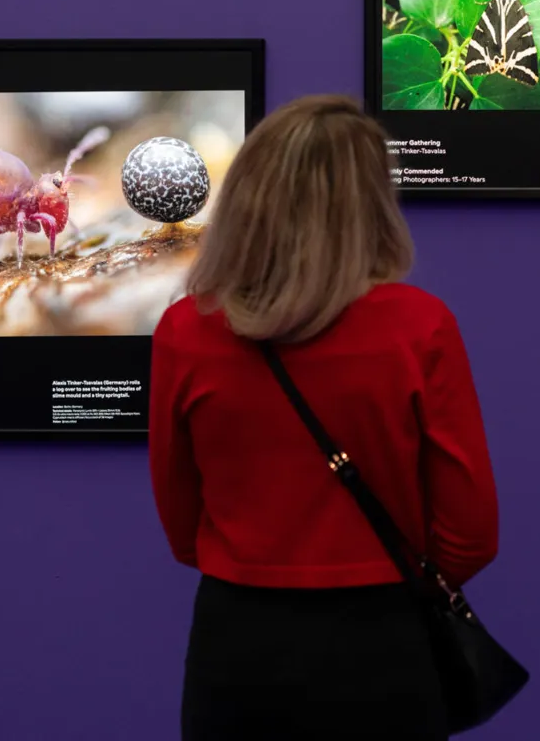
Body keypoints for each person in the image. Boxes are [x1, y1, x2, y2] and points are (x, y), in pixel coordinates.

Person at [148, 94, 499, 740]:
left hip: (237, 642)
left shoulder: (183, 331)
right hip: (382, 641)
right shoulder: (418, 327)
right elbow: (470, 532)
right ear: (368, 204)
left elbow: (180, 521)